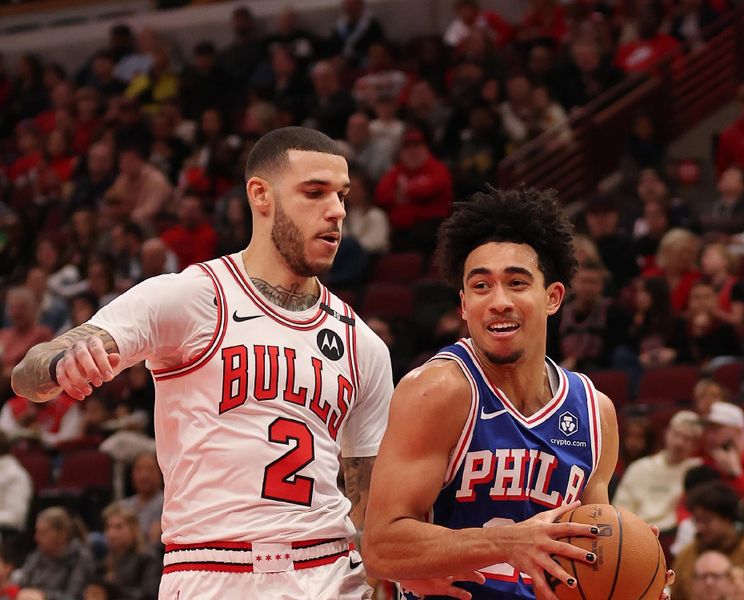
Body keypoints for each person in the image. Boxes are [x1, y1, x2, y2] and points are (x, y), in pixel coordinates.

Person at [11, 127, 393, 599]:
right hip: (214, 570)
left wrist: (380, 581)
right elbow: (28, 371)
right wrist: (61, 365)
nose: (336, 210)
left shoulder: (364, 345)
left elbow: (370, 499)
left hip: (332, 572)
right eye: (314, 192)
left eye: (342, 195)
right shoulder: (193, 296)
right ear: (261, 196)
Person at [362, 188, 672, 600]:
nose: (499, 302)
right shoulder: (439, 391)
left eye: (517, 282)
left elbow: (590, 553)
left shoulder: (596, 413)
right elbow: (381, 547)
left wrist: (632, 575)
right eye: (481, 286)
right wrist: (509, 544)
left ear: (552, 297)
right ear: (463, 304)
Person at [671, 481, 744, 600]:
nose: (700, 527)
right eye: (696, 521)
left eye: (707, 520)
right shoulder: (687, 555)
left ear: (728, 519)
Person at [614, 411, 703, 533]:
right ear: (666, 434)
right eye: (676, 435)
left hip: (674, 533)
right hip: (637, 533)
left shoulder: (697, 471)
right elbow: (620, 509)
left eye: (687, 439)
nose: (679, 443)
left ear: (696, 445)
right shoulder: (639, 467)